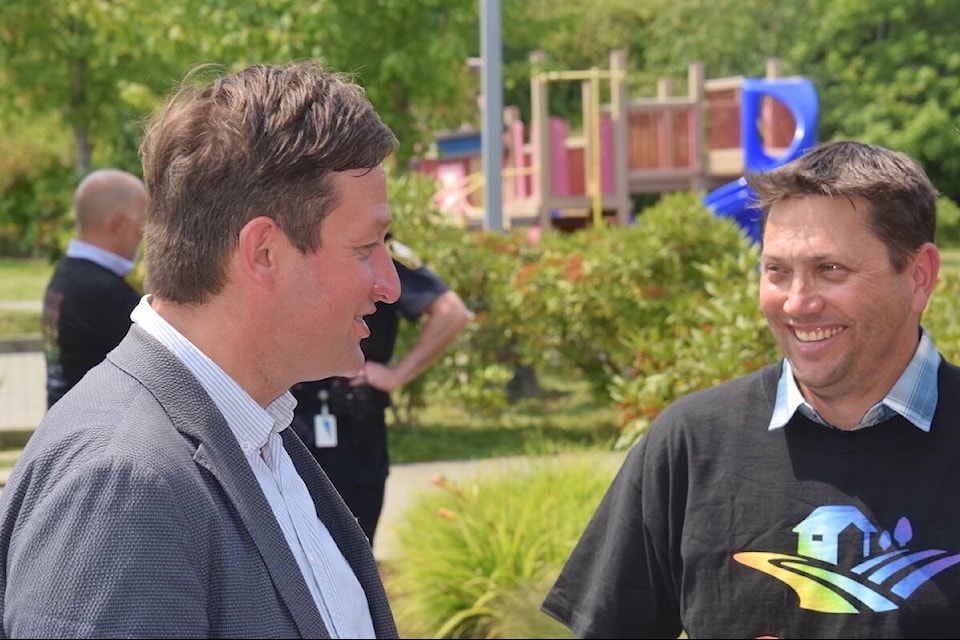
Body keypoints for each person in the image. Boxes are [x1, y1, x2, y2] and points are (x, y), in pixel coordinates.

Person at [0, 61, 402, 638]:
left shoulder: (255, 431)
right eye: (366, 246)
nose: (389, 284)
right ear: (263, 251)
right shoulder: (123, 484)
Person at [541, 140, 960, 637]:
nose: (797, 303)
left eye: (830, 270)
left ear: (918, 275)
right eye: (776, 271)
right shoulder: (691, 443)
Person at [290, 235, 473, 547]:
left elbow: (451, 312)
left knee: (350, 548)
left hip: (350, 418)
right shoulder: (296, 238)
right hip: (290, 413)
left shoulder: (378, 248)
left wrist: (397, 375)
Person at [41, 168, 147, 408]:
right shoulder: (105, 294)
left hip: (64, 424)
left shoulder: (65, 276)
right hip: (99, 436)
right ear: (119, 224)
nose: (143, 235)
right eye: (142, 223)